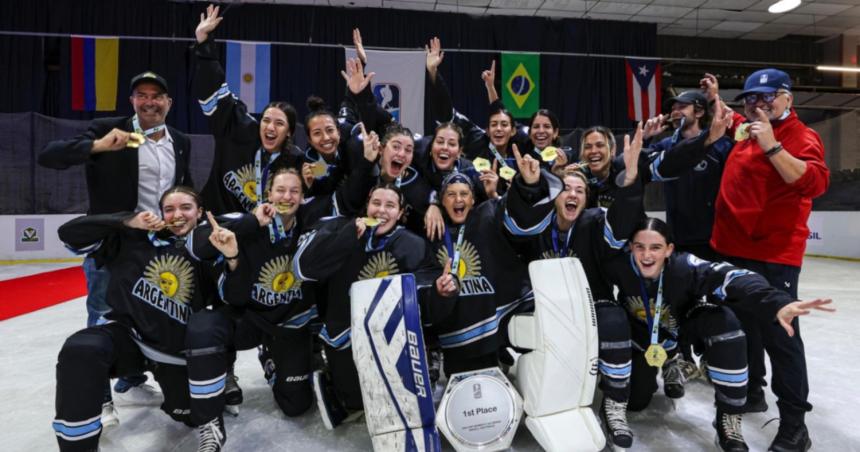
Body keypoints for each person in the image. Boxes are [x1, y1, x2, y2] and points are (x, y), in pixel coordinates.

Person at [603, 217, 833, 452]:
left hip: (682, 332)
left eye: (655, 247)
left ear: (669, 249)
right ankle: (663, 366)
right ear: (631, 247)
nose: (646, 255)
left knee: (726, 323)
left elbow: (735, 277)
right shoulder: (619, 266)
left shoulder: (684, 266)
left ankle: (728, 418)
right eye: (639, 247)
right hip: (643, 340)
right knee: (637, 402)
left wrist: (777, 303)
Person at [39, 69, 193, 416]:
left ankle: (132, 377)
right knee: (103, 314)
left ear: (168, 103)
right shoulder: (109, 129)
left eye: (156, 96)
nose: (149, 102)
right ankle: (99, 394)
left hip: (157, 247)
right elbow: (49, 155)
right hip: (112, 244)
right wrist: (96, 146)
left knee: (148, 313)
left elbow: (184, 186)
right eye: (142, 95)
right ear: (132, 101)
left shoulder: (180, 141)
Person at [53, 187, 247, 452]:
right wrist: (125, 220)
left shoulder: (211, 246)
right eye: (169, 209)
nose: (177, 215)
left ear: (200, 212)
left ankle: (214, 390)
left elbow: (235, 299)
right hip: (132, 340)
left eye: (186, 208)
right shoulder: (132, 238)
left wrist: (232, 258)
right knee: (80, 350)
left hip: (181, 353)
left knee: (186, 415)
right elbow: (69, 233)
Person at [704, 68, 831, 452]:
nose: (757, 105)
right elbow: (730, 116)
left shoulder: (800, 136)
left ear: (787, 98)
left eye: (766, 97)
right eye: (751, 99)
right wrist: (713, 97)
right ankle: (753, 391)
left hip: (773, 256)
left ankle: (795, 425)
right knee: (740, 330)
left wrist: (773, 145)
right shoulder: (746, 124)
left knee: (781, 336)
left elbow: (814, 182)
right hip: (730, 249)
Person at [503, 126, 645, 449]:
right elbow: (513, 226)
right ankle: (506, 382)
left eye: (580, 190)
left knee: (614, 319)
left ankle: (614, 405)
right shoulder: (538, 222)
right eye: (565, 188)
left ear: (587, 199)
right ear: (555, 195)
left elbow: (619, 229)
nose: (572, 195)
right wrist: (524, 185)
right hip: (544, 312)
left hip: (591, 309)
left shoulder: (595, 222)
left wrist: (630, 181)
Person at [293, 183, 441, 429]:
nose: (381, 210)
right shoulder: (340, 227)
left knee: (396, 403)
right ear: (367, 206)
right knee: (356, 403)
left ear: (401, 212)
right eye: (376, 203)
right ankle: (332, 375)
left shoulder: (411, 243)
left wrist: (440, 291)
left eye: (390, 205)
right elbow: (303, 269)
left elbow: (427, 284)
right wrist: (348, 237)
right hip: (344, 333)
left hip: (391, 337)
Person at [193, 4, 302, 216]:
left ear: (289, 132)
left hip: (262, 235)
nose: (270, 127)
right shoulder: (239, 128)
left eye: (279, 123)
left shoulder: (295, 160)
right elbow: (211, 88)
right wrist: (204, 43)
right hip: (219, 223)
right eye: (266, 120)